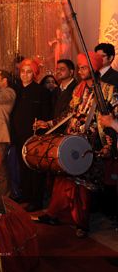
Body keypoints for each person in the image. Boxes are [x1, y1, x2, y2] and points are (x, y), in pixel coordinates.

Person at [33, 52, 117, 237]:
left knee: (83, 185)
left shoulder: (108, 90)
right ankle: (55, 214)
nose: (80, 71)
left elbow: (113, 119)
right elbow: (69, 114)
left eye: (84, 67)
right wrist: (49, 124)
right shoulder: (78, 89)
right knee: (62, 178)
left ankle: (82, 224)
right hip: (71, 140)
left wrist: (109, 145)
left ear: (94, 68)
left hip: (91, 144)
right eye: (79, 67)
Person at [10, 58, 51, 211]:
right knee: (22, 167)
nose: (25, 75)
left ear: (34, 74)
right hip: (18, 135)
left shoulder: (42, 92)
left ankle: (36, 200)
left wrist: (42, 127)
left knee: (35, 169)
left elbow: (46, 115)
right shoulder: (15, 90)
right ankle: (26, 195)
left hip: (34, 137)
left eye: (29, 72)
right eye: (22, 72)